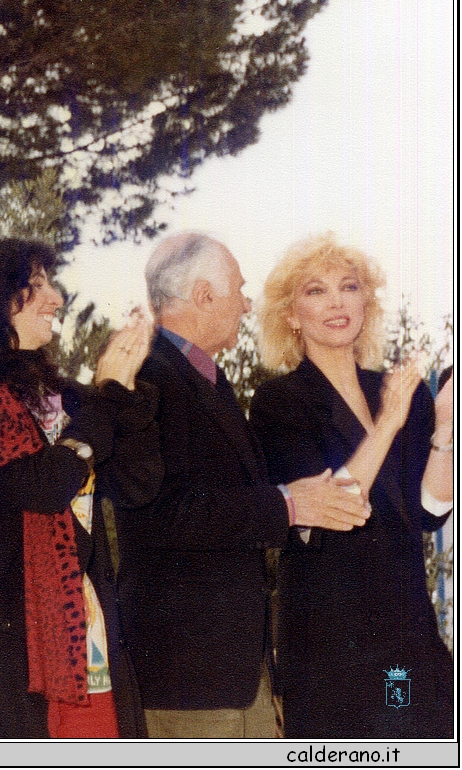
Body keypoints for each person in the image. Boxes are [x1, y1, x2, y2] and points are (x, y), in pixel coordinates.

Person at [0, 236, 158, 738]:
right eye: (34, 285)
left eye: (51, 283)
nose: (56, 298)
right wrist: (104, 403)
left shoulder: (61, 397)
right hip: (9, 647)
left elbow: (138, 483)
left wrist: (124, 387)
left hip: (87, 634)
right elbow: (41, 485)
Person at [120, 231, 372, 738]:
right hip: (188, 681)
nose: (248, 302)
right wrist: (287, 504)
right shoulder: (147, 375)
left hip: (236, 674)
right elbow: (161, 513)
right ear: (204, 296)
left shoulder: (205, 378)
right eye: (238, 288)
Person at [249, 233, 453, 738]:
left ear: (367, 301)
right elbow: (334, 508)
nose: (337, 301)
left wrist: (445, 428)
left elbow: (427, 512)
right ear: (291, 315)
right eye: (316, 291)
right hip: (329, 638)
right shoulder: (279, 402)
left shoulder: (397, 391)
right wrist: (388, 423)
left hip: (406, 628)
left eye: (349, 287)